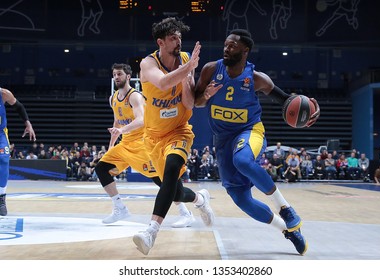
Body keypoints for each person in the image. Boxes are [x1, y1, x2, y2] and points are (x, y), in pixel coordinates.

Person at [194, 29, 319, 255]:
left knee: (242, 160)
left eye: (232, 45)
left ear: (245, 51)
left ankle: (286, 209)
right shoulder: (211, 70)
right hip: (222, 139)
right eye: (225, 44)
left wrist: (309, 112)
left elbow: (288, 101)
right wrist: (206, 97)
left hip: (249, 131)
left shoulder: (258, 79)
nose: (226, 48)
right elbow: (197, 102)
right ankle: (288, 230)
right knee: (241, 200)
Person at [132, 17, 214, 255]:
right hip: (154, 136)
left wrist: (199, 91)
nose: (178, 41)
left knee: (171, 169)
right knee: (174, 190)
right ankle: (199, 199)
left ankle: (150, 232)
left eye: (179, 37)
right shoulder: (148, 64)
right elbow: (165, 84)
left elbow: (189, 101)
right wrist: (188, 69)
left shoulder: (186, 59)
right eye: (172, 38)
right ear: (161, 42)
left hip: (179, 130)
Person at [94, 63, 195, 228]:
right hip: (125, 144)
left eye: (119, 74)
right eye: (114, 74)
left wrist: (122, 130)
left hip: (142, 143)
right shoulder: (112, 98)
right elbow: (116, 124)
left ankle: (187, 212)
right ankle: (120, 208)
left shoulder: (135, 96)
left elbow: (142, 120)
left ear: (128, 76)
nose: (116, 77)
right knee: (101, 168)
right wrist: (111, 145)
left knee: (164, 182)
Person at [1, 87, 36, 216]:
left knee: (4, 159)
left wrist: (28, 124)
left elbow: (19, 107)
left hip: (0, 134)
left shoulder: (4, 94)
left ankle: (1, 198)